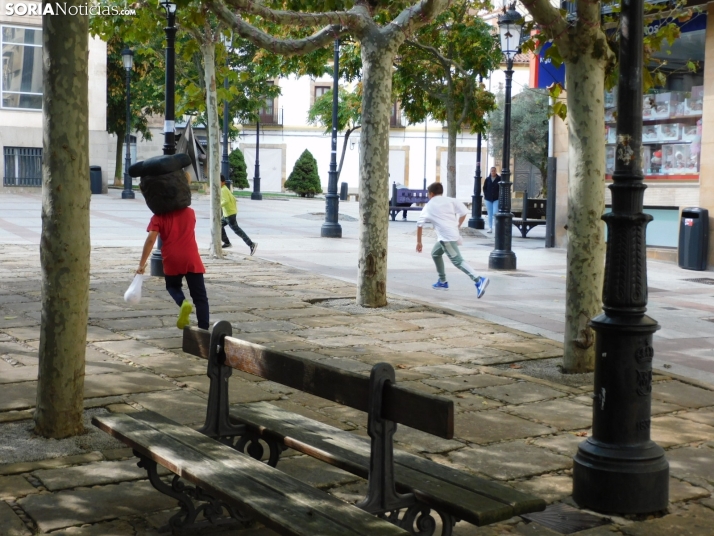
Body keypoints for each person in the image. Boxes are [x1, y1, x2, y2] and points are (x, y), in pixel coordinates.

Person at [136, 206, 210, 330]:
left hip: (172, 257)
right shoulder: (190, 212)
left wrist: (141, 264)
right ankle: (204, 329)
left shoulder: (158, 216)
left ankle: (182, 302)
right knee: (200, 296)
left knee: (172, 286)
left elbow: (151, 240)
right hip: (191, 257)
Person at [416, 182, 489, 298]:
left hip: (446, 238)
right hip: (450, 234)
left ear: (431, 194)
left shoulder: (429, 206)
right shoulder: (450, 200)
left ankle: (478, 279)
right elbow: (464, 212)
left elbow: (419, 225)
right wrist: (458, 225)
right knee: (435, 254)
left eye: (428, 194)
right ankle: (442, 281)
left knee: (458, 261)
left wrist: (419, 242)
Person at [220, 175, 258, 255]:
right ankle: (227, 242)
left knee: (237, 230)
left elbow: (226, 200)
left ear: (223, 182)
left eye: (219, 181)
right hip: (228, 213)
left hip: (229, 214)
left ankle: (251, 244)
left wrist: (218, 205)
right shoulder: (225, 189)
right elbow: (233, 198)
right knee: (219, 225)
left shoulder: (223, 190)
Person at [483, 167, 501, 233]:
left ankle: (496, 227)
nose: (493, 172)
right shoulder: (487, 179)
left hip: (496, 198)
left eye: (494, 171)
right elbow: (484, 188)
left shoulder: (499, 179)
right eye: (492, 171)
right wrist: (486, 194)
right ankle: (490, 227)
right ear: (490, 172)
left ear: (496, 171)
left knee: (495, 212)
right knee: (489, 213)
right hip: (488, 198)